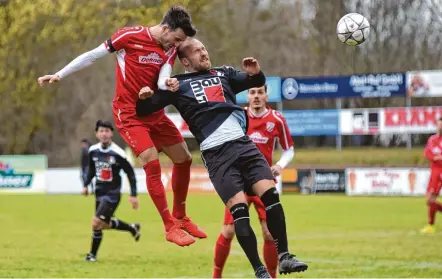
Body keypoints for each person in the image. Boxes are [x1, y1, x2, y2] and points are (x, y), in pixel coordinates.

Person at [136, 38, 307, 278]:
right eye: (197, 51)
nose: (204, 53)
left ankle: (285, 257)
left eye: (204, 48)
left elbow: (255, 82)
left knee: (272, 196)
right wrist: (143, 96)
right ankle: (260, 271)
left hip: (243, 145)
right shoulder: (177, 85)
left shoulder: (224, 73)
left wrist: (256, 73)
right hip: (217, 155)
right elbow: (144, 109)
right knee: (239, 212)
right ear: (185, 61)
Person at [37, 6, 205, 246]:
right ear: (166, 28)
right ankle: (169, 226)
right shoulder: (129, 36)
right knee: (151, 161)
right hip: (128, 114)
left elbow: (162, 77)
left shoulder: (170, 48)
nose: (176, 45)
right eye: (176, 39)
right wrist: (60, 74)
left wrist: (161, 86)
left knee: (184, 158)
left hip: (154, 113)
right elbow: (93, 54)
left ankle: (180, 216)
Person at [212, 84, 295, 278]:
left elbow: (289, 148)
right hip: (237, 182)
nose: (256, 96)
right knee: (229, 230)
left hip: (261, 182)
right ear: (247, 97)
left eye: (260, 92)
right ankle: (216, 276)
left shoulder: (276, 119)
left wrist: (280, 165)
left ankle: (272, 276)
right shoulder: (238, 117)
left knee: (268, 232)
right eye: (252, 92)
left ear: (267, 95)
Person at [83, 120, 140, 262]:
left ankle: (92, 256)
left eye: (107, 131)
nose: (104, 134)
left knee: (96, 223)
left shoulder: (118, 153)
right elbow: (90, 170)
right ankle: (132, 228)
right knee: (103, 224)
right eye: (101, 131)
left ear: (111, 134)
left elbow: (131, 174)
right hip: (99, 192)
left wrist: (133, 195)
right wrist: (85, 185)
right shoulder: (92, 151)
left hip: (112, 194)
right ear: (97, 134)